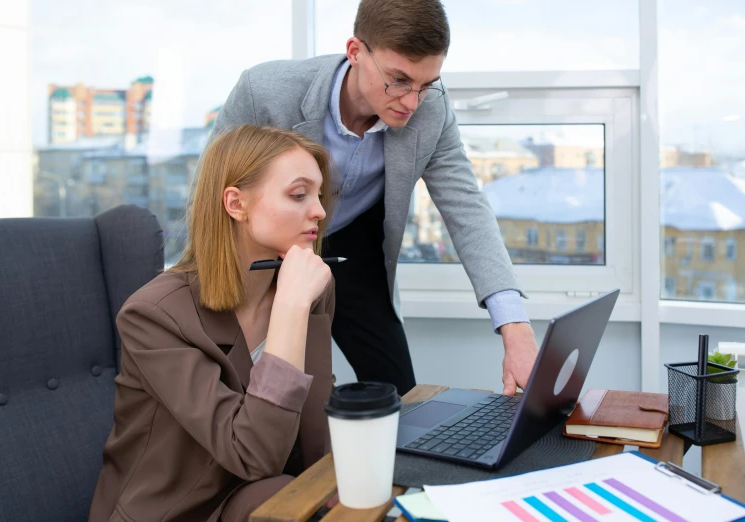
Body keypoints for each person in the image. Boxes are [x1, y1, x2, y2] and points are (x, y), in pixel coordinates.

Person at [208, 0, 539, 396]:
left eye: (426, 84)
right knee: (244, 384)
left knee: (400, 394)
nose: (412, 102)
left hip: (351, 248)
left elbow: (466, 206)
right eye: (399, 80)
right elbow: (211, 198)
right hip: (258, 247)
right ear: (355, 52)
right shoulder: (264, 92)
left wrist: (515, 328)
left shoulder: (431, 109)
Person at [88, 124, 337, 522]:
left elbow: (312, 414)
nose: (320, 211)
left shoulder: (307, 287)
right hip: (174, 512)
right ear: (236, 204)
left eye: (320, 195)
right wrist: (290, 310)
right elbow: (254, 454)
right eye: (298, 194)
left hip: (260, 499)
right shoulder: (154, 315)